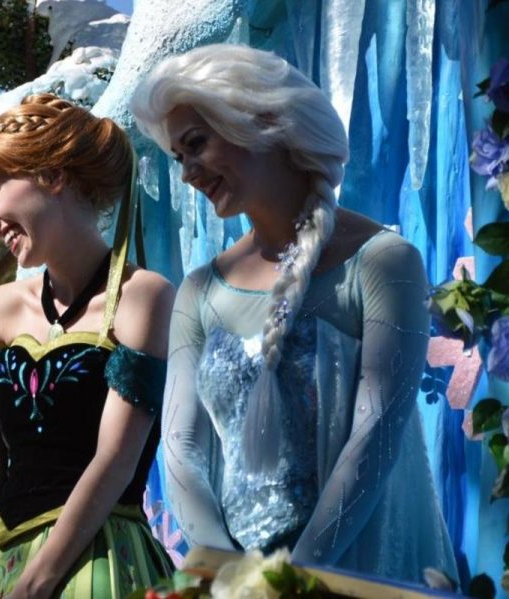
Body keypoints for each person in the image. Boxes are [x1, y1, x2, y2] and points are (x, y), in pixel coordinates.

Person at [130, 44, 458, 584]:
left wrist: (297, 581)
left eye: (195, 144)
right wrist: (232, 574)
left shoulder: (383, 262)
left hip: (363, 574)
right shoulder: (199, 291)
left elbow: (376, 433)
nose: (187, 172)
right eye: (177, 157)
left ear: (262, 120)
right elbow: (182, 449)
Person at [0, 93, 176, 599]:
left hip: (100, 562)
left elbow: (114, 461)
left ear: (52, 176)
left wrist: (35, 585)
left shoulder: (142, 296)